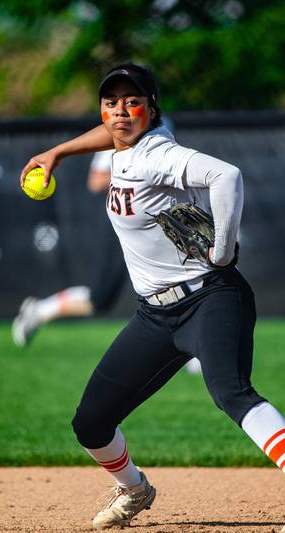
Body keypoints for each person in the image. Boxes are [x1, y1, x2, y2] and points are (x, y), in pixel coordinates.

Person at [18, 63, 285, 533]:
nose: (120, 111)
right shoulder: (124, 147)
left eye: (132, 101)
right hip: (156, 315)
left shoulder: (156, 152)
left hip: (210, 297)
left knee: (231, 393)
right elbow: (111, 135)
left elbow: (228, 176)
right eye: (110, 102)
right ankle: (135, 489)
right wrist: (57, 152)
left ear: (152, 108)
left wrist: (222, 250)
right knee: (90, 423)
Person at [12, 120, 203, 374]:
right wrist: (140, 171)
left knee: (183, 275)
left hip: (160, 219)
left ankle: (193, 347)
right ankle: (40, 310)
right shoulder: (121, 130)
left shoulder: (162, 122)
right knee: (100, 299)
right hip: (128, 222)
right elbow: (96, 181)